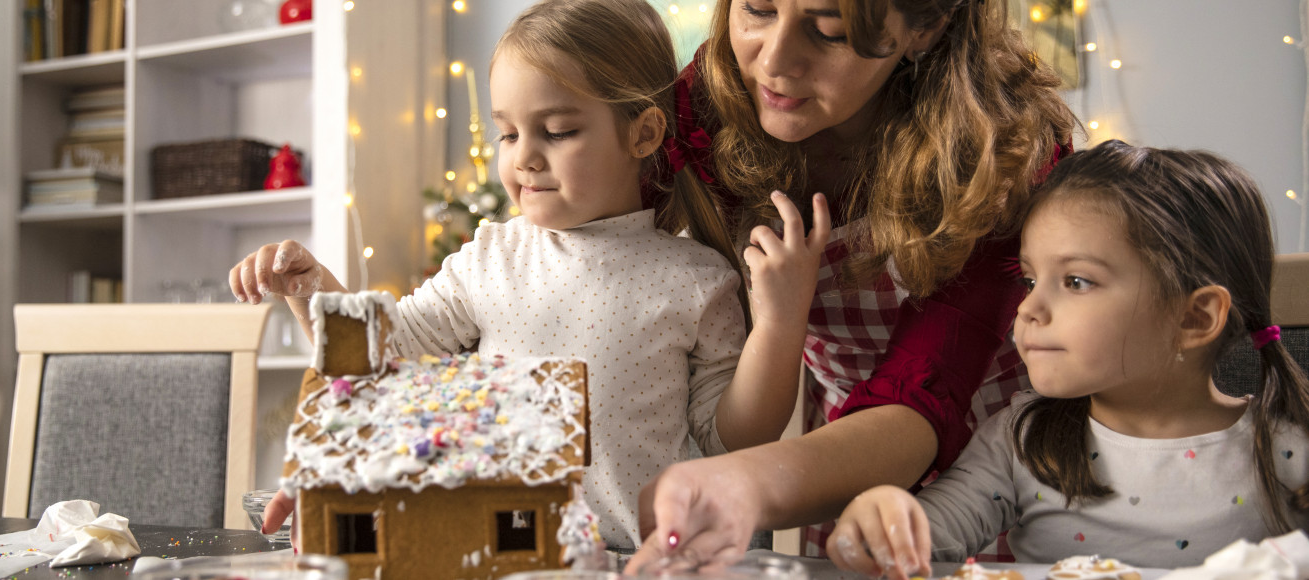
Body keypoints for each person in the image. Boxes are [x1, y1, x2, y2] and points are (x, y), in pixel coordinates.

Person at [227, 0, 830, 551]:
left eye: (558, 131)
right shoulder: (490, 257)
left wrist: (779, 323)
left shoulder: (695, 279)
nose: (523, 158)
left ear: (642, 133)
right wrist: (311, 290)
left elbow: (734, 442)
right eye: (508, 133)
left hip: (638, 563)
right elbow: (389, 351)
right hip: (506, 559)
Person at [628, 0, 1078, 569]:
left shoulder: (999, 154)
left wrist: (741, 485)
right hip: (835, 448)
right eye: (758, 10)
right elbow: (600, 229)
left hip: (1002, 455)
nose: (775, 60)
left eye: (829, 29)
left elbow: (924, 390)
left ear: (926, 25)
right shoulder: (706, 105)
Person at [829, 141, 1309, 573]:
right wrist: (883, 522)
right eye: (1030, 280)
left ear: (1194, 318)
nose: (1029, 309)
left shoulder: (1287, 452)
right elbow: (926, 542)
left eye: (1077, 281)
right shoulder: (1021, 442)